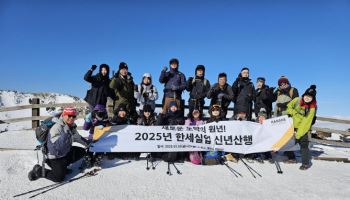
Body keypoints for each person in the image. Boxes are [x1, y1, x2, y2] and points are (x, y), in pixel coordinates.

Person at [28, 107, 89, 182]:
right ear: (64, 115)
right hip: (54, 156)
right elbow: (54, 148)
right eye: (69, 115)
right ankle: (39, 170)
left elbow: (78, 138)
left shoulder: (71, 127)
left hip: (64, 151)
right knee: (58, 178)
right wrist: (65, 135)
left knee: (82, 152)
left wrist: (88, 144)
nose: (71, 118)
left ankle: (62, 166)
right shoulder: (57, 127)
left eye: (74, 116)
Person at [287, 85, 317, 170]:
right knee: (289, 142)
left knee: (304, 145)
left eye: (310, 97)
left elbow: (306, 123)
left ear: (313, 98)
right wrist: (293, 112)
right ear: (304, 95)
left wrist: (298, 134)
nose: (307, 98)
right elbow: (289, 106)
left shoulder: (312, 108)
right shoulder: (297, 100)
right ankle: (291, 158)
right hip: (292, 125)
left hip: (302, 128)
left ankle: (305, 163)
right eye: (306, 96)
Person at [272, 76, 299, 162]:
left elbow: (296, 102)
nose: (283, 85)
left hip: (289, 117)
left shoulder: (293, 90)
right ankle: (283, 150)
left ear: (287, 83)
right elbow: (276, 105)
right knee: (279, 134)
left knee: (289, 136)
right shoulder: (279, 92)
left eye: (284, 83)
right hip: (280, 117)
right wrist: (275, 116)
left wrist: (285, 105)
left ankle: (292, 157)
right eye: (281, 84)